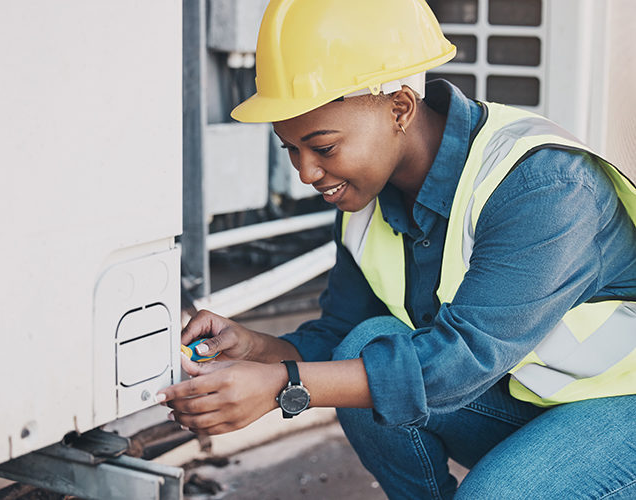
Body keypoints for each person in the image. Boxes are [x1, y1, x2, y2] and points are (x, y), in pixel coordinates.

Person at [158, 0, 636, 497]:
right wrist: (255, 350)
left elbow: (464, 357)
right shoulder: (365, 199)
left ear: (400, 108)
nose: (306, 173)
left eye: (322, 147)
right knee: (365, 347)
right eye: (291, 149)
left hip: (622, 407)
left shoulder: (543, 187)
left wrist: (282, 385)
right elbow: (341, 337)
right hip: (525, 399)